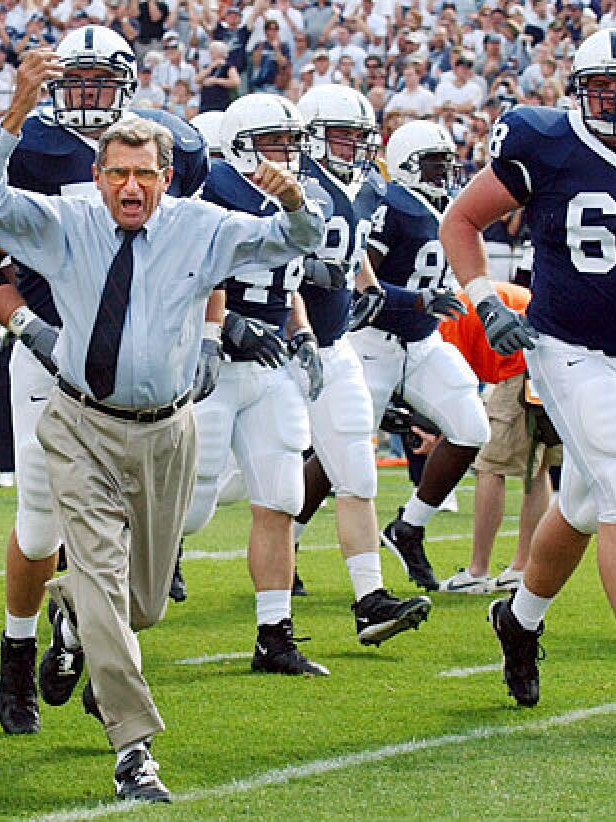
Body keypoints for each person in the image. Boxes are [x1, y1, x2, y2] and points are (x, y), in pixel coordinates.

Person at [0, 48, 323, 802]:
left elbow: (295, 243)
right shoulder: (67, 223)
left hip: (167, 429)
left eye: (145, 174)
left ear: (165, 178)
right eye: (117, 173)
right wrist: (17, 110)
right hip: (81, 422)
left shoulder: (202, 226)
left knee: (145, 603)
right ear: (99, 178)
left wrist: (293, 201)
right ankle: (134, 750)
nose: (131, 187)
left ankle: (69, 617)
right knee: (95, 568)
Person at [0, 25, 209, 738]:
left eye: (104, 80)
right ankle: (18, 651)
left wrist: (211, 334)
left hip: (150, 374)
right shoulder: (31, 148)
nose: (91, 95)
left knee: (138, 544)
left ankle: (87, 636)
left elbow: (205, 244)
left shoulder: (165, 146)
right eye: (80, 79)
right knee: (40, 525)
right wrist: (31, 329)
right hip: (57, 364)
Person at [441, 27, 616, 725]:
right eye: (601, 87)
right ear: (578, 90)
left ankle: (519, 619)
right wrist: (483, 300)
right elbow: (463, 221)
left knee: (586, 504)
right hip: (567, 346)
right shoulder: (543, 141)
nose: (613, 100)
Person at [182, 92, 331, 675]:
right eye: (273, 143)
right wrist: (223, 328)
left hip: (270, 365)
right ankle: (99, 612)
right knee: (188, 509)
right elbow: (192, 270)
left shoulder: (296, 196)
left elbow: (286, 277)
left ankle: (274, 635)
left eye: (291, 144)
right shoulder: (214, 190)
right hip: (214, 362)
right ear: (242, 145)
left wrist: (303, 333)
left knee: (281, 495)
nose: (284, 155)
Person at [289, 84, 436, 645]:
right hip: (277, 352)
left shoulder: (365, 187)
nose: (352, 144)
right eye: (342, 133)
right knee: (212, 490)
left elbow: (354, 259)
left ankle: (370, 600)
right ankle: (116, 574)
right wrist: (311, 284)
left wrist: (367, 287)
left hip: (336, 346)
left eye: (358, 134)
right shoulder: (293, 183)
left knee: (357, 472)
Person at [350, 120, 490, 592]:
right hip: (374, 342)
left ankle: (409, 526)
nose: (442, 173)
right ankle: (290, 543)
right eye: (433, 164)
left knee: (472, 427)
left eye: (446, 164)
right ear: (407, 166)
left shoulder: (446, 207)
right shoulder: (392, 207)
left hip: (424, 344)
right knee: (339, 449)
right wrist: (414, 299)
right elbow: (359, 275)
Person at [435, 281, 556, 594]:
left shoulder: (447, 325)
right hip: (550, 359)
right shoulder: (467, 300)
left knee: (490, 467)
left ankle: (479, 570)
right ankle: (522, 565)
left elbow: (456, 386)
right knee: (538, 465)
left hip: (518, 367)